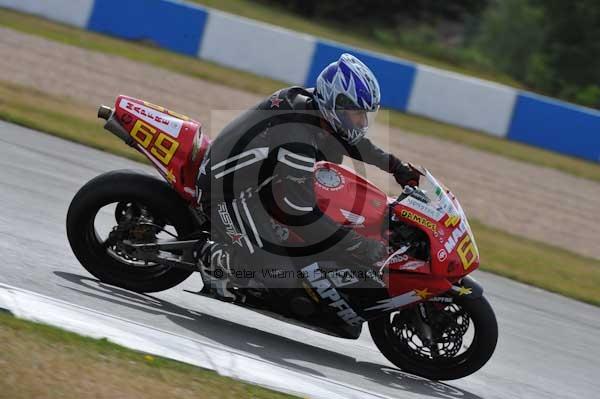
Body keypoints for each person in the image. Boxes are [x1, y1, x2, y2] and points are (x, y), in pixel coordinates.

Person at [196, 53, 420, 301]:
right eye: (358, 113)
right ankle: (214, 259)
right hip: (227, 191)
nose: (362, 121)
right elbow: (300, 211)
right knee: (278, 274)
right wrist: (356, 244)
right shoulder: (298, 135)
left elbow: (353, 142)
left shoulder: (316, 108)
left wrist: (397, 167)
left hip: (260, 182)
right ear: (337, 103)